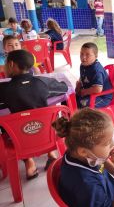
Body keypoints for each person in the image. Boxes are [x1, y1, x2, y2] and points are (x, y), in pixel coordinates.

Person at [52, 108, 114, 207]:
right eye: (107, 143)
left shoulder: (77, 153)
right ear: (83, 151)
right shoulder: (86, 186)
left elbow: (100, 162)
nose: (113, 144)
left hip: (111, 193)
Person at [0, 49, 68, 180]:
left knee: (12, 127)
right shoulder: (42, 82)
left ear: (12, 64)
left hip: (19, 139)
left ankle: (29, 161)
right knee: (45, 120)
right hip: (45, 133)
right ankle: (52, 153)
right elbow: (63, 88)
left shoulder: (3, 89)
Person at [75, 42, 112, 108]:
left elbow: (98, 89)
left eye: (88, 55)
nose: (83, 57)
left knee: (82, 105)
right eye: (81, 54)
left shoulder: (96, 70)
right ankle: (68, 116)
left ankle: (79, 117)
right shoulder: (83, 65)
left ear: (96, 56)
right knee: (68, 99)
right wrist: (79, 84)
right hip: (90, 93)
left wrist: (84, 92)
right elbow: (83, 77)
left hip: (102, 97)